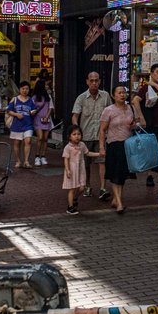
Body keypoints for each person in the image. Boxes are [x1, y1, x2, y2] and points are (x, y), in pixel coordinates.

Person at [71, 72, 112, 198]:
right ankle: (87, 186)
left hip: (101, 136)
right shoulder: (81, 98)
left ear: (99, 81)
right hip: (86, 136)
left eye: (96, 80)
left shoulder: (105, 96)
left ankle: (103, 188)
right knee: (86, 164)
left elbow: (111, 113)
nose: (94, 83)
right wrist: (77, 133)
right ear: (87, 82)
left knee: (102, 161)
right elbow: (75, 116)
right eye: (91, 80)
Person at [132, 63, 158, 187]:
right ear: (152, 73)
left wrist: (154, 84)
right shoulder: (144, 88)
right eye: (157, 72)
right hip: (149, 123)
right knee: (150, 150)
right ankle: (149, 175)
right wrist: (141, 117)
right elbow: (135, 101)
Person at [98, 86, 137, 214]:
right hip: (114, 145)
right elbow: (102, 130)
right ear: (113, 95)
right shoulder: (108, 110)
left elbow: (137, 124)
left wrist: (134, 125)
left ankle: (116, 199)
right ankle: (119, 203)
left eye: (124, 92)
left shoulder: (131, 108)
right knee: (115, 174)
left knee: (122, 174)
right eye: (119, 93)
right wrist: (102, 147)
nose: (122, 95)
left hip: (128, 145)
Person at [63, 125, 102, 215]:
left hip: (80, 169)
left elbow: (88, 153)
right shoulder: (68, 147)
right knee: (72, 188)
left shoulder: (82, 145)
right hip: (72, 169)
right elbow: (66, 159)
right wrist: (68, 169)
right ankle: (70, 207)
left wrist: (99, 154)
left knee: (82, 187)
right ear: (69, 136)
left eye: (79, 134)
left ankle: (75, 198)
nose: (77, 136)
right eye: (74, 134)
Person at [7, 81, 37, 169]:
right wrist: (16, 114)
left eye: (27, 89)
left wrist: (33, 112)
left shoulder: (31, 100)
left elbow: (34, 110)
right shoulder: (15, 99)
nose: (25, 90)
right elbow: (9, 110)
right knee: (17, 143)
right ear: (19, 89)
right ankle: (18, 161)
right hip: (17, 125)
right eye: (23, 89)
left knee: (28, 141)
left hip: (28, 125)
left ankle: (26, 161)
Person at [32, 80, 54, 166]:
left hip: (47, 120)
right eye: (45, 85)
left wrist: (47, 117)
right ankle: (37, 156)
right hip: (37, 119)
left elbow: (50, 108)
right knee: (40, 137)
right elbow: (32, 109)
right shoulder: (34, 97)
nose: (46, 86)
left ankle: (43, 156)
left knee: (45, 138)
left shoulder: (48, 96)